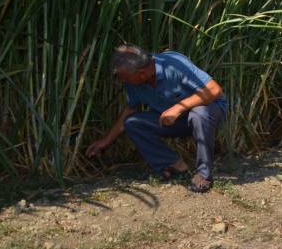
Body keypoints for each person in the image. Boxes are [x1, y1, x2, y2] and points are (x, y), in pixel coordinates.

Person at [86, 44, 228, 193]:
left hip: (208, 113)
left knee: (198, 113)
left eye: (125, 78)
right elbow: (130, 109)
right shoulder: (133, 82)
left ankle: (203, 175)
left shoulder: (173, 64)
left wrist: (179, 107)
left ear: (141, 74)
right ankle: (174, 166)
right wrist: (105, 141)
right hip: (174, 121)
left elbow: (214, 90)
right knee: (132, 123)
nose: (123, 81)